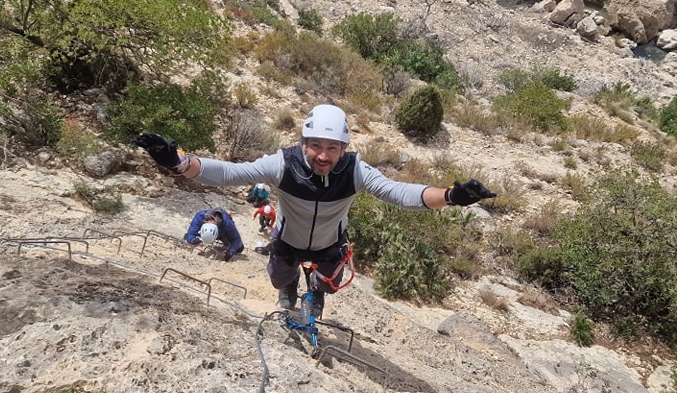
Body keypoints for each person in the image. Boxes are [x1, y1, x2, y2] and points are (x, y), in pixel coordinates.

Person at [135, 104, 495, 315]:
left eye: (332, 148)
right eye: (315, 146)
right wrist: (179, 163)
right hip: (288, 241)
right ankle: (290, 286)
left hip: (329, 245)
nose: (323, 155)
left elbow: (398, 192)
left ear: (343, 149)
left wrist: (450, 196)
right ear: (303, 142)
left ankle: (316, 290)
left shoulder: (354, 170)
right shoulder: (283, 164)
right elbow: (231, 173)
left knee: (329, 284)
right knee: (279, 280)